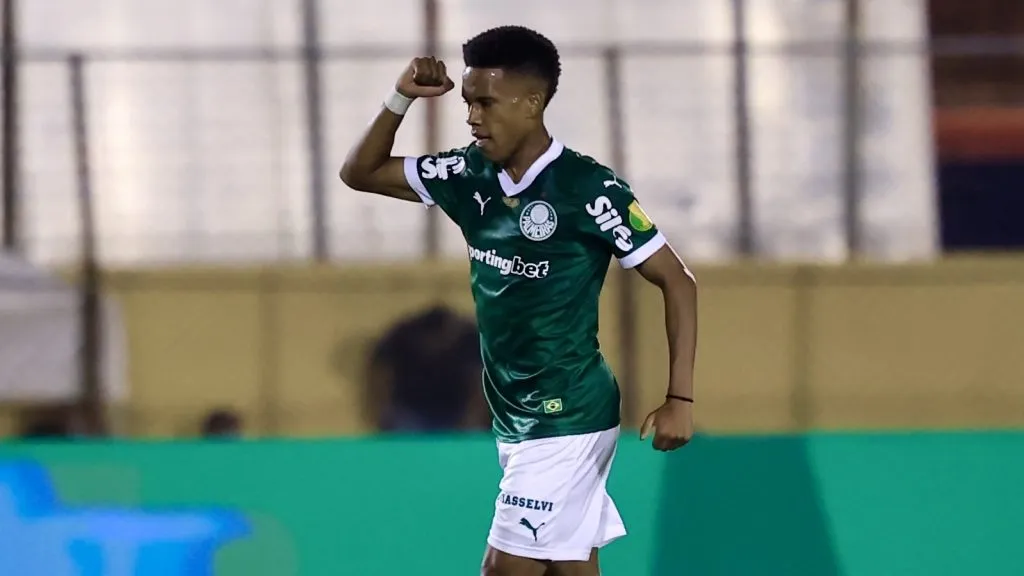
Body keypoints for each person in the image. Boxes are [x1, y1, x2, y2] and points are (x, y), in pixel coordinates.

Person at [340, 25, 698, 576]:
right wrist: (402, 96)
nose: (472, 116)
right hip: (514, 415)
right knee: (567, 568)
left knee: (504, 569)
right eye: (467, 102)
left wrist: (680, 398)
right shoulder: (469, 174)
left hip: (565, 414)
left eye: (486, 102)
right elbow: (359, 173)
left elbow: (677, 281)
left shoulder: (589, 189)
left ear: (532, 102)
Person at [366, 304, 488, 433]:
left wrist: (475, 418)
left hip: (457, 415)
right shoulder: (402, 337)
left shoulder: (468, 339)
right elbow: (378, 371)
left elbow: (483, 378)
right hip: (409, 415)